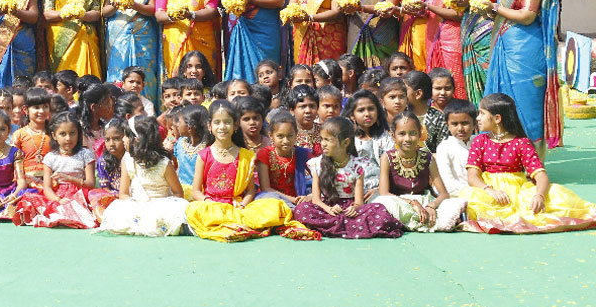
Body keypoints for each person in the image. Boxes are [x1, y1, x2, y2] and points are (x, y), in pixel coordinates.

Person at [462, 93, 596, 234]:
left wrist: (539, 196)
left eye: (482, 113)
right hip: (487, 190)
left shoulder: (521, 143)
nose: (477, 118)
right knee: (473, 201)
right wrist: (489, 190)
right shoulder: (479, 141)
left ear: (497, 119)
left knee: (555, 196)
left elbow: (541, 175)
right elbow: (472, 177)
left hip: (518, 191)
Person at [184, 101, 317, 242]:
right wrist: (208, 202)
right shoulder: (203, 155)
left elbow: (250, 191)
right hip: (212, 207)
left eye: (227, 122)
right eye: (217, 122)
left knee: (272, 205)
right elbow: (196, 191)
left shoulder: (246, 156)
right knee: (194, 210)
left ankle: (233, 225)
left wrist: (242, 205)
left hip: (239, 207)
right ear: (209, 126)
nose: (222, 127)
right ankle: (236, 226)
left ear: (235, 126)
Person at [484, 0, 562, 157]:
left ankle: (533, 163)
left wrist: (496, 8)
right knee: (504, 103)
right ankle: (509, 158)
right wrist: (491, 11)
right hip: (507, 44)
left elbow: (528, 15)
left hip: (525, 49)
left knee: (527, 103)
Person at [291, 116, 403, 239]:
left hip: (350, 209)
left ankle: (333, 226)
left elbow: (359, 201)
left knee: (379, 210)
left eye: (328, 140)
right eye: (322, 139)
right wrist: (328, 209)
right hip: (327, 207)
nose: (323, 144)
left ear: (345, 142)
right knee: (302, 209)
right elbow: (316, 200)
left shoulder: (357, 165)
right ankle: (350, 227)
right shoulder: (317, 164)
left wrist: (354, 208)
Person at [11, 111, 112, 229]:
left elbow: (90, 183)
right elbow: (47, 188)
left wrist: (70, 179)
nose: (68, 138)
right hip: (58, 195)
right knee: (29, 198)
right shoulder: (50, 157)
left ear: (79, 135)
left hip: (80, 194)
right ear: (54, 135)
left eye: (72, 133)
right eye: (63, 134)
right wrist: (57, 200)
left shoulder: (86, 154)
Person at [373, 111, 463, 232]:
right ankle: (420, 221)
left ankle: (419, 220)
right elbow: (384, 193)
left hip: (425, 204)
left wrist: (431, 206)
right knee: (382, 202)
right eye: (402, 134)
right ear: (393, 135)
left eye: (413, 133)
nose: (408, 139)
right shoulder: (387, 158)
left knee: (453, 204)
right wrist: (413, 203)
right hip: (400, 204)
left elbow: (443, 194)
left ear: (420, 134)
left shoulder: (428, 158)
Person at [98, 115, 188, 237]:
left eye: (125, 136)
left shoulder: (164, 164)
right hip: (137, 205)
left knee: (172, 216)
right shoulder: (127, 160)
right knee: (119, 215)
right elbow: (123, 194)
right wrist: (135, 205)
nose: (123, 140)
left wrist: (162, 206)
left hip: (161, 206)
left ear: (135, 140)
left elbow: (178, 193)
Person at [155, 0, 220, 95]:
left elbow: (212, 10)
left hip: (201, 37)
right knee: (177, 81)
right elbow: (159, 14)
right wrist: (174, 16)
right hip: (174, 40)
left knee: (204, 77)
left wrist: (191, 15)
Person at [99, 0, 162, 99]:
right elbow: (104, 11)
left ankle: (146, 111)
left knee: (144, 73)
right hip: (117, 36)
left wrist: (133, 4)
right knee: (118, 74)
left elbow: (153, 9)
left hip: (143, 35)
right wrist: (116, 4)